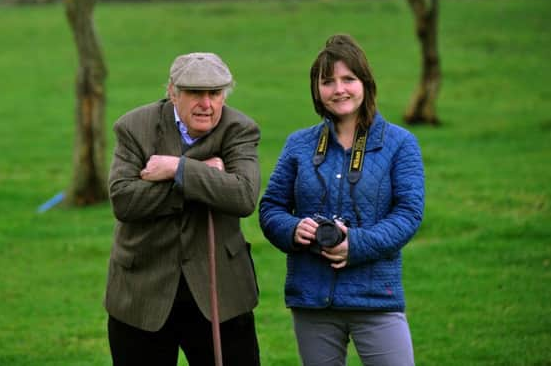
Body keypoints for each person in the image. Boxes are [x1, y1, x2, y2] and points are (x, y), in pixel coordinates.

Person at [259, 34, 425, 366]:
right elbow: (270, 207)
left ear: (366, 83)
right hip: (312, 299)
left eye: (348, 79)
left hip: (376, 297)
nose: (339, 89)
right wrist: (294, 229)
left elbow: (408, 213)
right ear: (316, 90)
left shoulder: (400, 143)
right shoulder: (298, 144)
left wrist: (356, 244)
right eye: (328, 81)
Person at [104, 52, 261, 366]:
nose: (206, 104)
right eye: (195, 93)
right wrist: (206, 177)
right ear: (172, 92)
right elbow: (124, 200)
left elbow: (243, 196)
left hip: (220, 294)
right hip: (142, 292)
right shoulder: (134, 127)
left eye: (215, 93)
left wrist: (178, 169)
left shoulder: (239, 129)